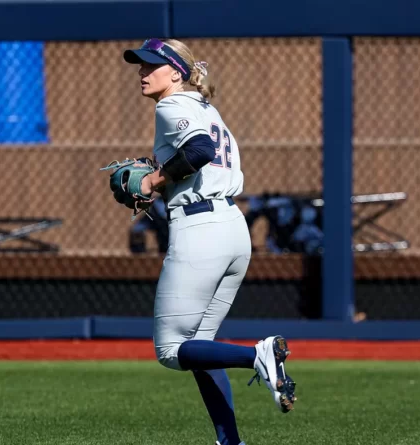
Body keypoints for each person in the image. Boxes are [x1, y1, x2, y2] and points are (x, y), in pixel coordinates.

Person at [117, 38, 298, 445]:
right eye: (140, 66)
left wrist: (152, 180)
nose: (142, 73)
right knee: (200, 347)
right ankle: (229, 441)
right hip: (233, 227)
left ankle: (258, 355)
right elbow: (202, 151)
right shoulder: (205, 107)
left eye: (151, 66)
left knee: (170, 351)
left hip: (200, 230)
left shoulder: (171, 105)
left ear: (176, 72)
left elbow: (199, 150)